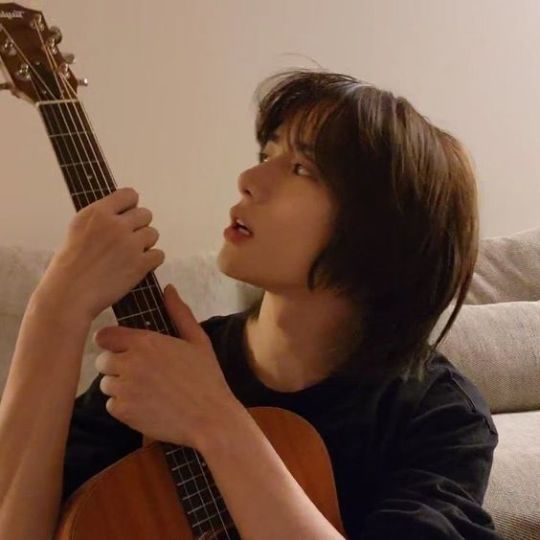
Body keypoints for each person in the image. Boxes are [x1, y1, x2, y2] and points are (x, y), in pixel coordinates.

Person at [0, 68, 501, 539]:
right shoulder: (167, 364)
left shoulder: (437, 414)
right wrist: (55, 311)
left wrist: (214, 421)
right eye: (267, 153)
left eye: (302, 168)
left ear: (382, 233)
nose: (249, 178)